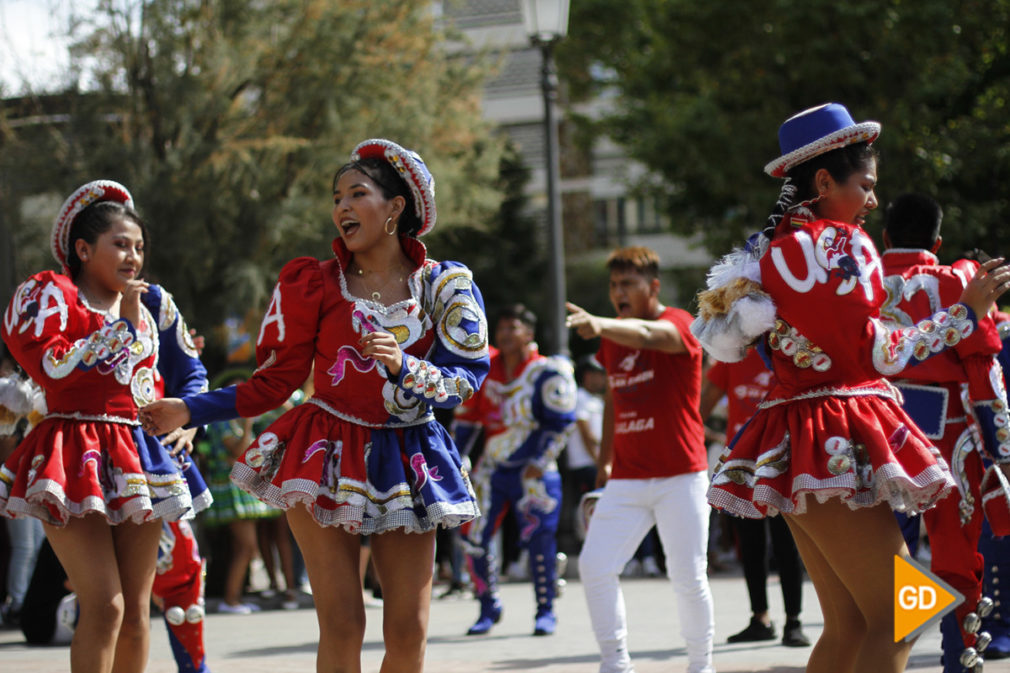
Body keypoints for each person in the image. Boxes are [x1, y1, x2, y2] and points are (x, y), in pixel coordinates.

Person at [139, 138, 490, 673]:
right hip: (325, 448)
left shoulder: (446, 285)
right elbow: (274, 383)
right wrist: (191, 410)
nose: (342, 207)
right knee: (343, 622)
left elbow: (466, 379)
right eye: (336, 197)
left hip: (411, 452)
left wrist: (403, 366)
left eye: (357, 194)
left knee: (409, 629)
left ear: (396, 207)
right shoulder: (313, 283)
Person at [691, 102, 1010, 673]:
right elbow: (878, 352)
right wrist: (965, 313)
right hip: (833, 435)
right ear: (823, 180)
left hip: (797, 438)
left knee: (852, 626)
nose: (872, 201)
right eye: (865, 185)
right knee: (905, 612)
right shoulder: (837, 246)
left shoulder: (772, 251)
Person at [0, 180, 211, 673]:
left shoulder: (156, 303)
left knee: (137, 613)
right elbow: (53, 367)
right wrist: (124, 326)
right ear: (82, 248)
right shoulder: (53, 296)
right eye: (120, 244)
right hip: (75, 450)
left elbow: (190, 369)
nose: (133, 256)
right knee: (106, 604)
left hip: (141, 456)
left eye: (139, 247)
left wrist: (191, 420)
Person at [567, 246, 716, 673]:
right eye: (614, 285)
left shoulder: (680, 324)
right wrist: (605, 461)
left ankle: (701, 665)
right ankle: (615, 664)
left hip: (681, 475)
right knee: (595, 567)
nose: (619, 292)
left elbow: (653, 337)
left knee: (688, 576)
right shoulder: (613, 339)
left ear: (654, 287)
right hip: (627, 479)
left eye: (628, 284)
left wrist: (602, 324)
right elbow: (614, 396)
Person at [879, 193, 1010, 672]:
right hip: (948, 440)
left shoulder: (859, 282)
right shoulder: (957, 281)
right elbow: (984, 372)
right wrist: (1002, 451)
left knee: (886, 563)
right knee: (955, 559)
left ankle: (888, 657)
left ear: (886, 237)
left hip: (873, 437)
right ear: (937, 240)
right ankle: (956, 663)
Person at [454, 303, 576, 636]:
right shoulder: (485, 368)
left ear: (529, 333)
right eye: (502, 327)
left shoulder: (548, 371)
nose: (506, 334)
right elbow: (467, 421)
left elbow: (561, 423)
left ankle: (545, 610)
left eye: (513, 327)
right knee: (473, 536)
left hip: (534, 472)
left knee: (540, 541)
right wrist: (454, 460)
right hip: (492, 469)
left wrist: (539, 461)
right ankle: (487, 606)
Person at [699, 349, 809, 647]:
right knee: (750, 545)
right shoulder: (731, 356)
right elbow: (704, 403)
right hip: (742, 463)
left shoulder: (786, 351)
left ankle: (793, 622)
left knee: (787, 544)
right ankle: (760, 618)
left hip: (781, 461)